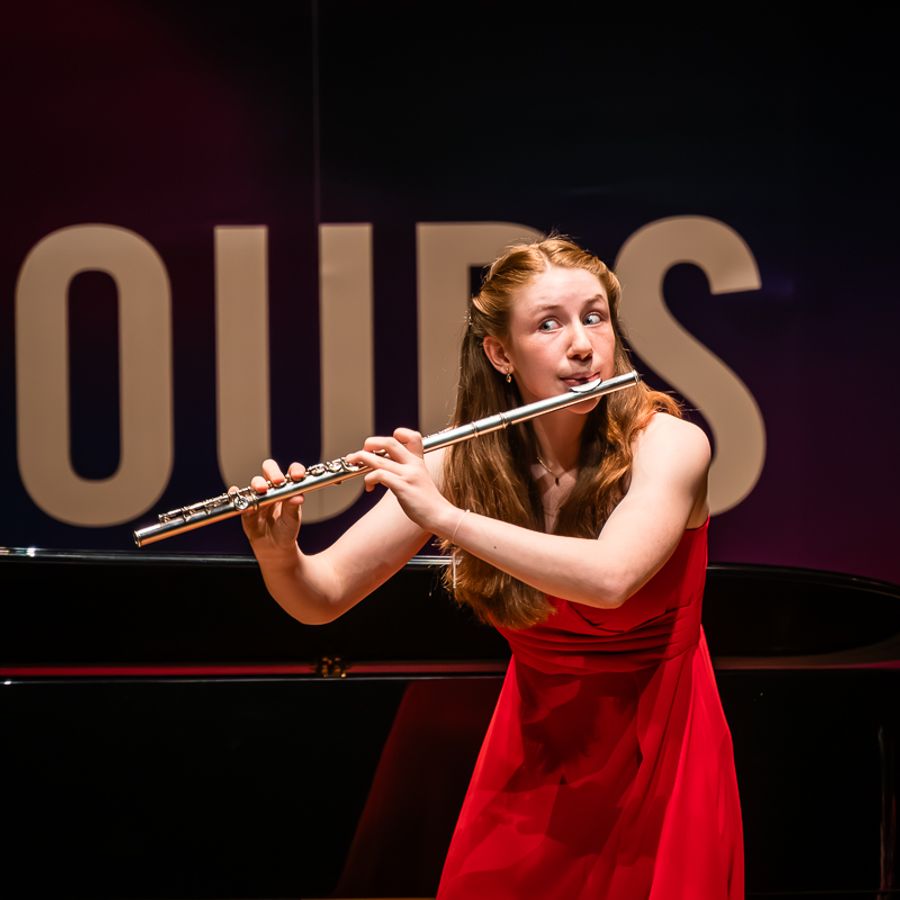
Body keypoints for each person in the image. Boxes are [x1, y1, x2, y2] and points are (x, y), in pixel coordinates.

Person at [239, 235, 745, 899]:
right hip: (532, 765)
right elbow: (322, 596)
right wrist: (280, 557)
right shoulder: (463, 465)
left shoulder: (673, 445)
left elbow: (612, 578)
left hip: (666, 753)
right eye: (549, 324)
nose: (583, 344)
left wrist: (443, 517)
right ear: (500, 353)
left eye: (595, 316)